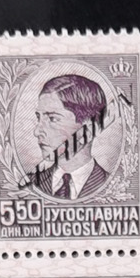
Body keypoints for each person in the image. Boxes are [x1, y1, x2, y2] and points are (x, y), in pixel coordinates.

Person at [32, 71, 111, 200]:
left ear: (88, 130)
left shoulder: (113, 186)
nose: (36, 132)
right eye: (38, 118)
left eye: (53, 119)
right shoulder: (31, 184)